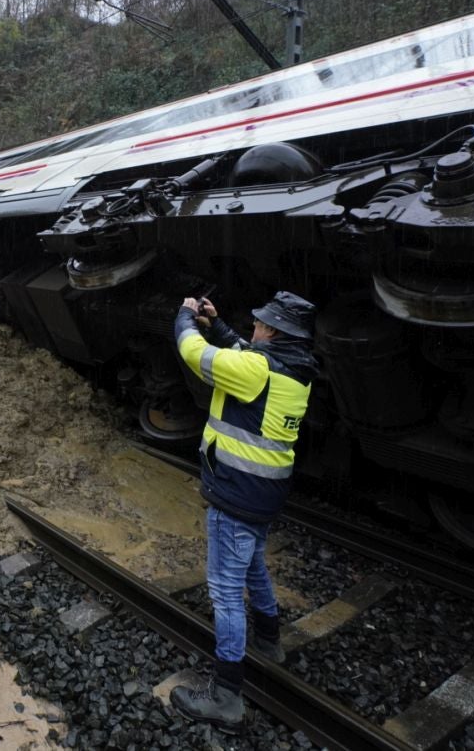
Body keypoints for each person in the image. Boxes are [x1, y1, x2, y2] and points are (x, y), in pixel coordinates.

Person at [169, 291, 318, 731]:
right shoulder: (296, 371)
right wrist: (219, 325)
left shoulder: (255, 370)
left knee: (225, 590)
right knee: (253, 565)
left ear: (272, 331)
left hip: (235, 493)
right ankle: (271, 642)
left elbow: (193, 353)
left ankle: (226, 696)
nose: (253, 328)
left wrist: (186, 318)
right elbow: (249, 356)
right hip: (265, 494)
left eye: (259, 324)